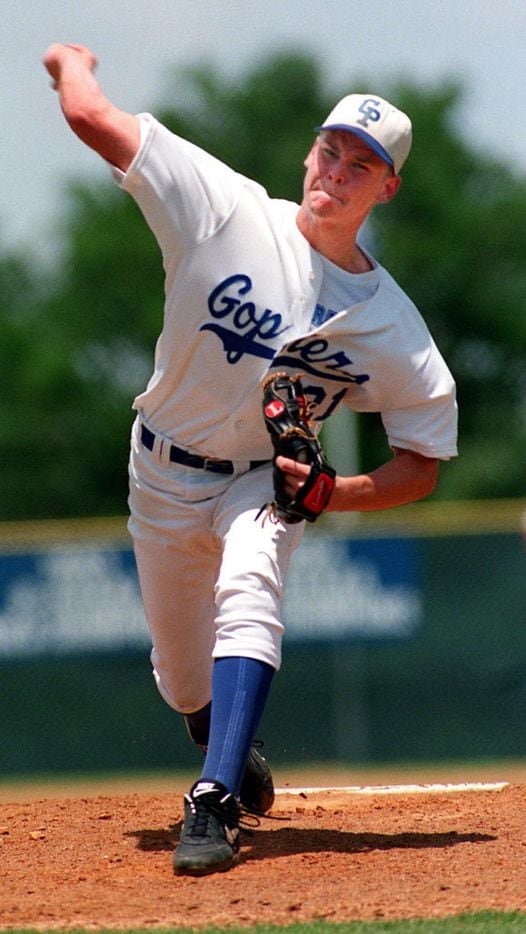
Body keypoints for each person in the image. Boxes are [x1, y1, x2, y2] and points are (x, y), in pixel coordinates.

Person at [43, 43, 458, 876]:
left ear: (386, 189)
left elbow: (423, 460)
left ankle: (214, 798)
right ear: (311, 153)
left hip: (258, 481)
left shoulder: (392, 329)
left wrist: (333, 492)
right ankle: (212, 724)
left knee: (253, 580)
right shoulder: (225, 211)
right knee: (179, 676)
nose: (338, 172)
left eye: (362, 165)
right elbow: (92, 119)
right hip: (161, 469)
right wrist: (70, 61)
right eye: (331, 151)